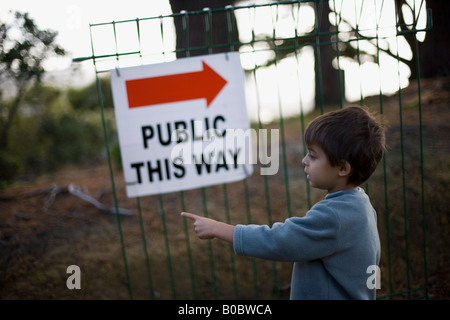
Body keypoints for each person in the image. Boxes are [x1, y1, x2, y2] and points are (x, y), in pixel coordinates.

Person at [181, 106, 386, 300]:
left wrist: (218, 229)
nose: (304, 160)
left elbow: (280, 241)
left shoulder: (334, 217)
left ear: (343, 168)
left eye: (313, 156)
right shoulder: (361, 205)